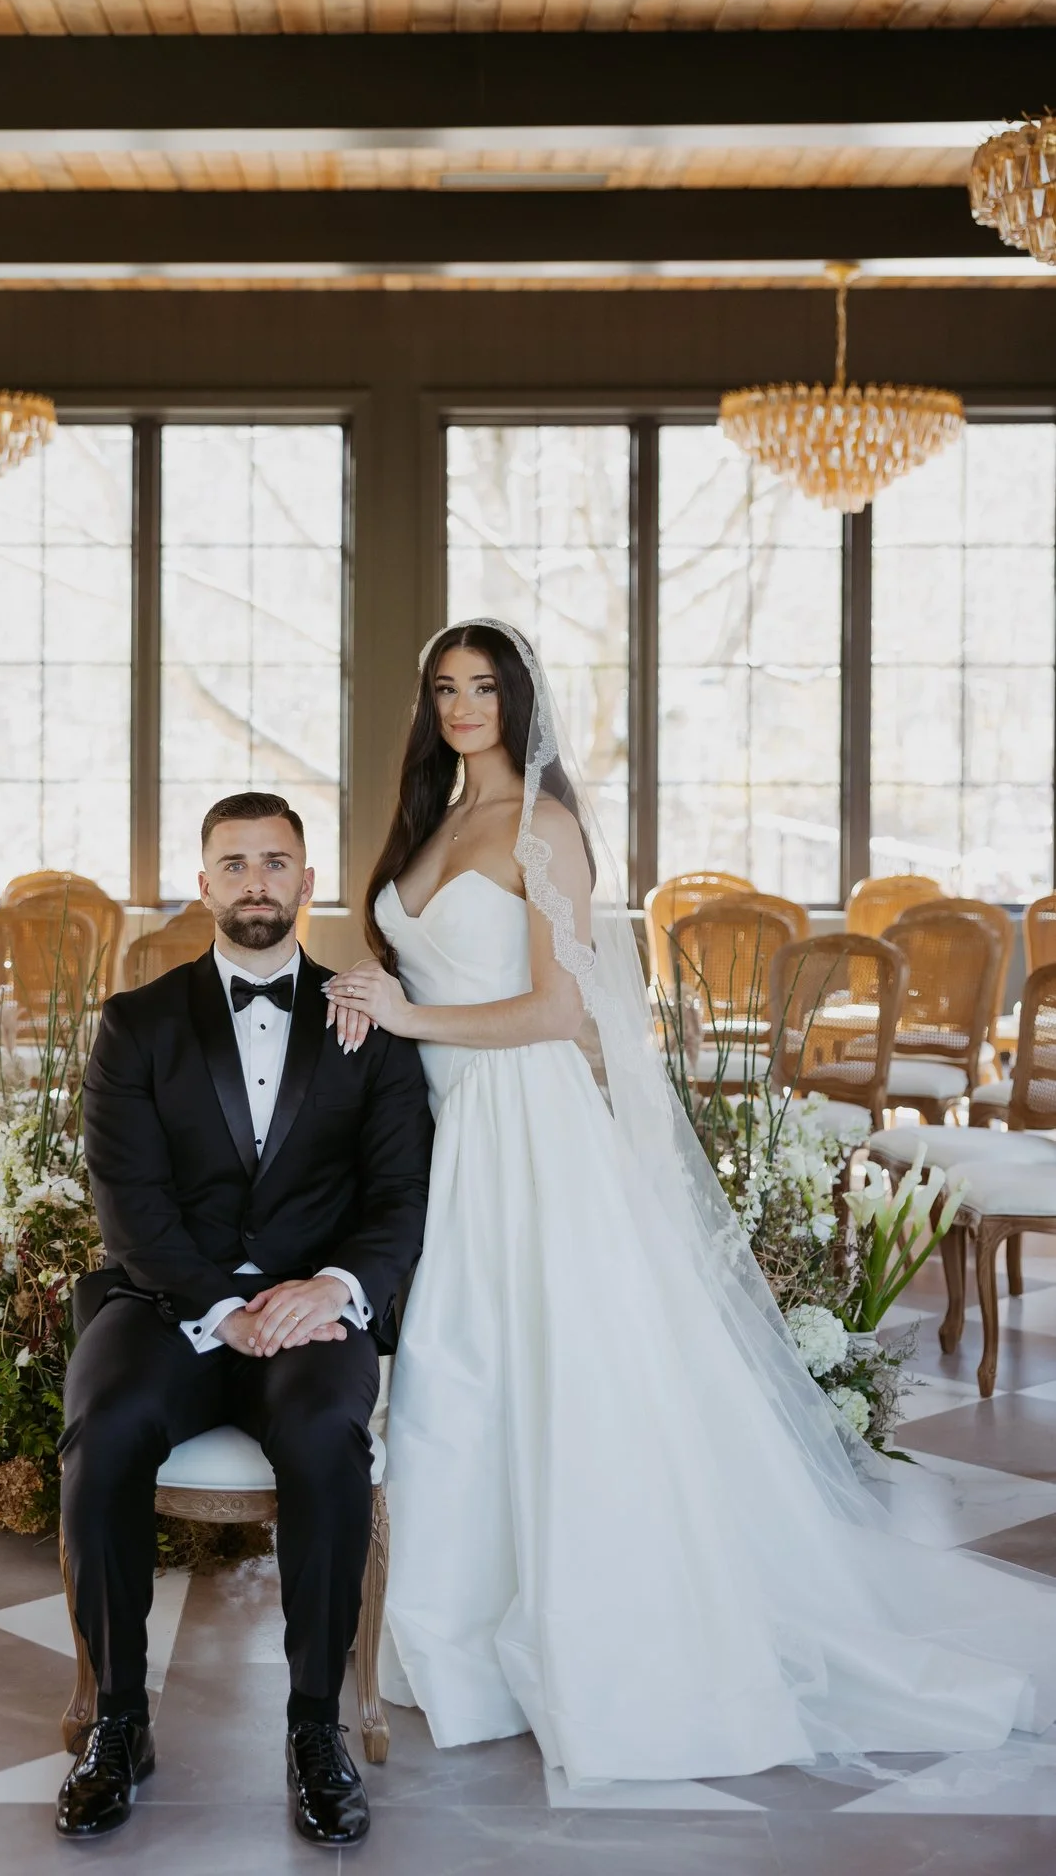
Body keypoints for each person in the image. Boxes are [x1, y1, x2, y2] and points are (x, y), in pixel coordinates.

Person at [323, 618, 1056, 1786]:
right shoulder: (435, 820)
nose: (463, 705)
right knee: (461, 1382)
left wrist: (408, 1016)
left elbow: (558, 1013)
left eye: (483, 686)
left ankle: (587, 1641)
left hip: (523, 1125)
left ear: (520, 699)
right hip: (446, 1125)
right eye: (444, 687)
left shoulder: (543, 825)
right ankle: (455, 1642)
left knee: (538, 1376)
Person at [57, 791, 433, 1843]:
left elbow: (399, 1193)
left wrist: (333, 1289)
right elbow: (128, 1202)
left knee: (325, 1439)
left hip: (312, 1310)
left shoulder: (373, 1017)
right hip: (166, 1302)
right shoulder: (138, 1021)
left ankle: (315, 1725)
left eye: (277, 861)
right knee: (107, 1427)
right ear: (203, 883)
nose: (257, 879)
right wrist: (221, 1308)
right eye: (235, 862)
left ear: (308, 883)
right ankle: (118, 1720)